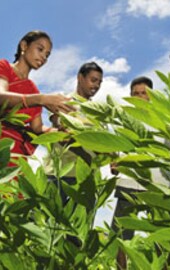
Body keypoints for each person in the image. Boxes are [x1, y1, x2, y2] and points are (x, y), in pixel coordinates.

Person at [0, 30, 74, 179]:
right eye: (40, 49)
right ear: (24, 45)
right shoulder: (3, 67)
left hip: (13, 154)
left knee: (7, 198)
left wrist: (61, 133)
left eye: (47, 55)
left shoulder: (33, 90)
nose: (43, 57)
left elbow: (37, 128)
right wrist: (43, 99)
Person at [111, 76, 169, 269]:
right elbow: (116, 148)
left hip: (157, 183)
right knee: (120, 234)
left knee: (163, 234)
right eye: (135, 94)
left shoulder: (163, 118)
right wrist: (114, 160)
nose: (139, 97)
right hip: (129, 181)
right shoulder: (124, 118)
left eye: (143, 93)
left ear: (151, 95)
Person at [43, 61, 103, 204]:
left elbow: (102, 144)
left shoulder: (98, 112)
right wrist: (86, 156)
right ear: (80, 78)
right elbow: (60, 130)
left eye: (100, 82)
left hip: (86, 179)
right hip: (59, 174)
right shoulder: (65, 100)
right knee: (46, 222)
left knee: (79, 225)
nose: (96, 85)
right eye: (93, 80)